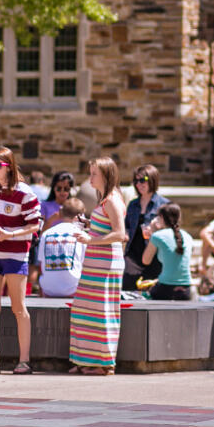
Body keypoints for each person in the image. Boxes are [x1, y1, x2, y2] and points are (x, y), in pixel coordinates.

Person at [0, 145, 42, 375]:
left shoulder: (24, 192)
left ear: (9, 167)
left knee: (18, 307)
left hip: (16, 254)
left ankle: (24, 360)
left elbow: (35, 224)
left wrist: (9, 234)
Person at [68, 157, 126, 375]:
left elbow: (120, 234)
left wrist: (90, 239)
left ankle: (104, 364)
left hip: (106, 262)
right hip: (97, 261)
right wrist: (90, 225)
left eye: (94, 173)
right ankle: (87, 360)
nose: (90, 177)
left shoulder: (112, 199)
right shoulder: (106, 199)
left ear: (105, 176)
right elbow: (108, 228)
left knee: (101, 311)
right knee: (86, 309)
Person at [122, 165, 169, 291]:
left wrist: (156, 230)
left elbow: (172, 232)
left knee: (153, 289)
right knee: (127, 285)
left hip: (155, 254)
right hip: (133, 255)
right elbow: (126, 227)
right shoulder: (133, 205)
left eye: (142, 180)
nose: (139, 184)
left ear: (152, 180)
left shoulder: (164, 205)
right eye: (136, 181)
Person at [141, 203, 193, 301]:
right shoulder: (188, 236)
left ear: (161, 218)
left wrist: (153, 231)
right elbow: (176, 267)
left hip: (165, 289)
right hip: (186, 289)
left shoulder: (158, 236)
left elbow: (145, 261)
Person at [37, 198, 86, 298]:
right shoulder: (82, 236)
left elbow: (41, 265)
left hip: (48, 290)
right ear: (80, 216)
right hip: (74, 289)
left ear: (61, 213)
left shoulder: (46, 234)